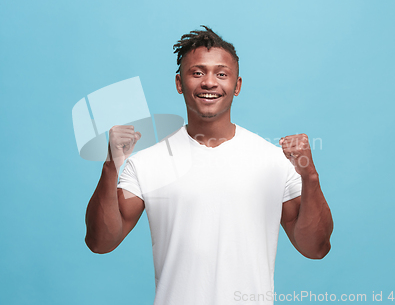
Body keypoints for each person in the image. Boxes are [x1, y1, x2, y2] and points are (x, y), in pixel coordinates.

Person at [85, 26, 333, 305]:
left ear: (236, 86)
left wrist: (309, 175)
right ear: (180, 83)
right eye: (197, 72)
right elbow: (101, 242)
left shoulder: (274, 160)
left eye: (221, 74)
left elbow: (316, 248)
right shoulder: (147, 163)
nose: (209, 82)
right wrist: (111, 166)